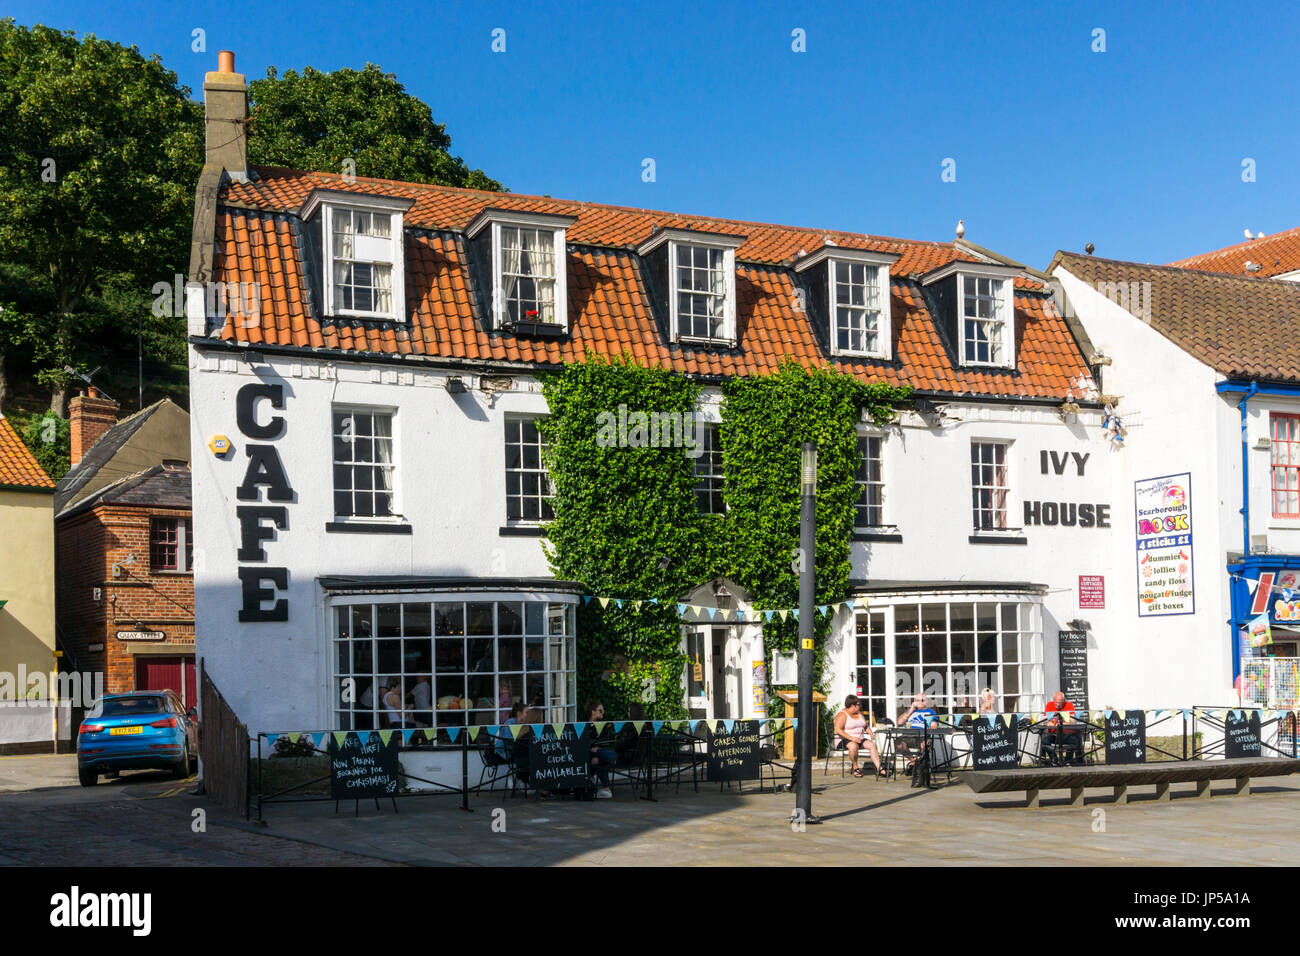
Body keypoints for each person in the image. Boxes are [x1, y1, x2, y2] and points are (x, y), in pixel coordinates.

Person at [832, 694, 885, 778]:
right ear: (853, 706)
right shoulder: (842, 715)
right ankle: (855, 767)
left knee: (872, 745)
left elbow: (865, 725)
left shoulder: (859, 714)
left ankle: (879, 768)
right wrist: (852, 738)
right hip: (844, 739)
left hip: (859, 739)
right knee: (853, 746)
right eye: (858, 705)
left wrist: (870, 733)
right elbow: (838, 730)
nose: (860, 707)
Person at [896, 693, 938, 775]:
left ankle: (919, 766)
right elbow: (899, 722)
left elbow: (934, 726)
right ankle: (914, 761)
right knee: (898, 743)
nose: (920, 702)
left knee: (925, 745)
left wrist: (924, 730)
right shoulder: (910, 711)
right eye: (918, 700)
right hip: (908, 736)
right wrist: (911, 709)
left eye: (922, 700)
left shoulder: (931, 712)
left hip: (922, 736)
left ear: (926, 702)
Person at [1042, 691, 1083, 764]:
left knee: (1075, 740)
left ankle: (1068, 760)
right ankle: (1054, 760)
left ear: (1064, 701)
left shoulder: (1069, 705)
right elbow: (1044, 720)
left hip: (1067, 734)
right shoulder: (1049, 705)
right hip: (1054, 734)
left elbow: (1073, 721)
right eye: (1056, 702)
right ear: (1053, 700)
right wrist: (1048, 723)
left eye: (1060, 703)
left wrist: (1061, 723)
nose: (1057, 705)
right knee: (1045, 741)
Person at [586, 700, 615, 799]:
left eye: (603, 710)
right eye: (600, 710)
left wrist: (597, 749)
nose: (603, 712)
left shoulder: (603, 725)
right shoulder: (584, 725)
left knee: (598, 759)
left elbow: (606, 741)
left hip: (599, 753)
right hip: (588, 754)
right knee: (595, 758)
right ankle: (604, 788)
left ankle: (592, 780)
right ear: (593, 712)